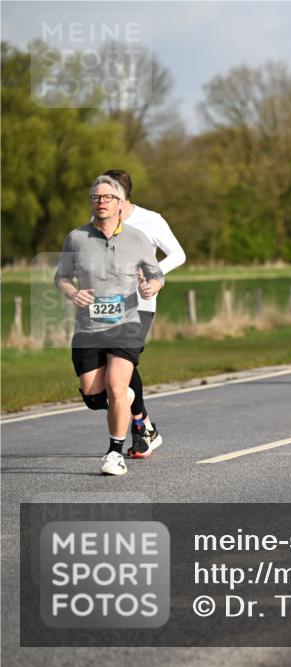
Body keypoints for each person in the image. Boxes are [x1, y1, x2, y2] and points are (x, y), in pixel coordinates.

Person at [54, 175, 165, 476]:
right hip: (89, 328)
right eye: (96, 197)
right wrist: (73, 292)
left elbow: (156, 274)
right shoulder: (76, 238)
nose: (101, 201)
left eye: (107, 197)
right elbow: (61, 277)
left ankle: (115, 452)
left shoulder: (138, 239)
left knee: (117, 386)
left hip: (125, 325)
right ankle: (124, 400)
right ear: (91, 203)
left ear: (119, 204)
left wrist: (152, 287)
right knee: (93, 396)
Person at [102, 169, 185, 459]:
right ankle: (145, 426)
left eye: (109, 195)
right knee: (119, 367)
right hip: (109, 304)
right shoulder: (100, 220)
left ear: (123, 197)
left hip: (140, 304)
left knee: (122, 363)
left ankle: (140, 428)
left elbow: (178, 254)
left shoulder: (151, 220)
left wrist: (153, 274)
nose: (102, 200)